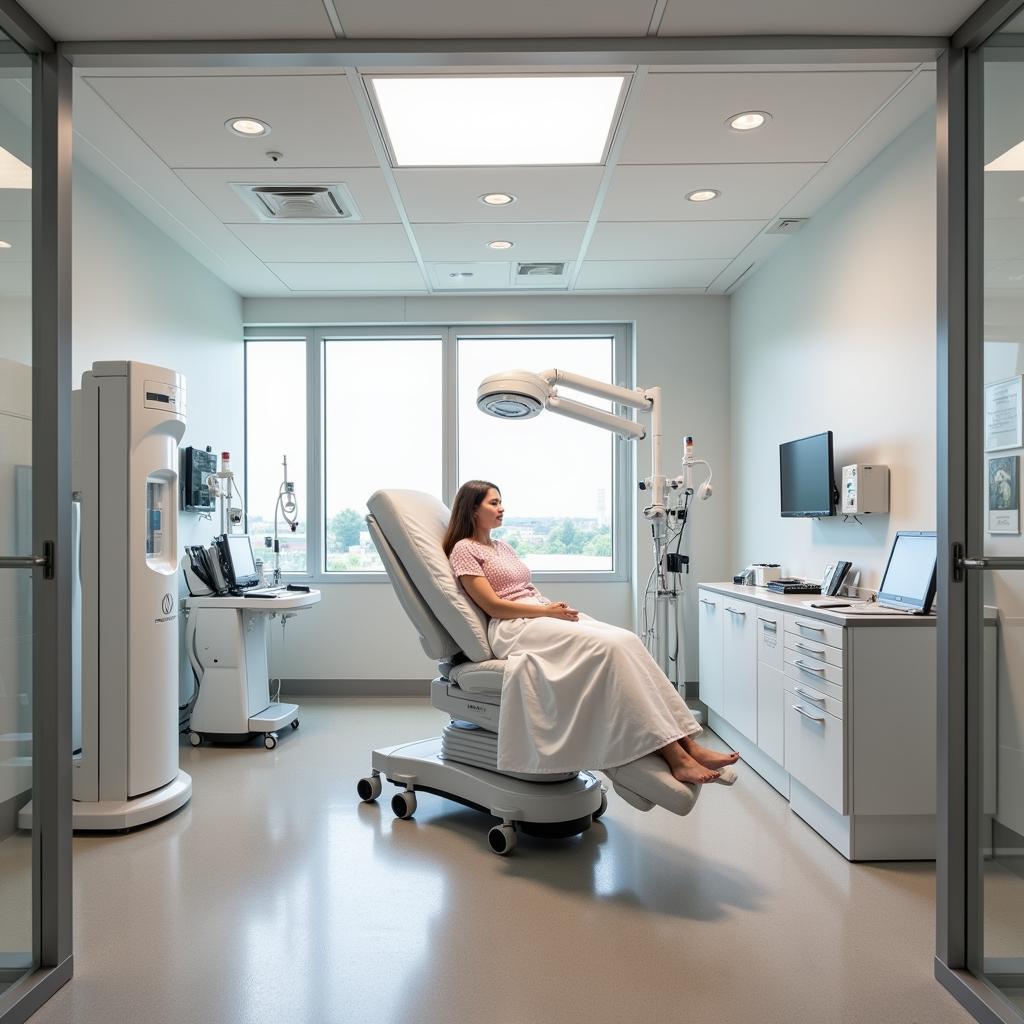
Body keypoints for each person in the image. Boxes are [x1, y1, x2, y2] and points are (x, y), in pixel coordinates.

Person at [443, 480, 738, 785]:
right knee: (609, 649)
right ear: (473, 509)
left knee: (626, 640)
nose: (501, 508)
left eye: (501, 501)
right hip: (513, 627)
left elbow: (524, 588)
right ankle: (677, 759)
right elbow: (493, 606)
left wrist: (549, 608)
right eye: (493, 503)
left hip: (538, 613)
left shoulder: (501, 546)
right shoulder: (464, 550)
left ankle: (688, 744)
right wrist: (545, 612)